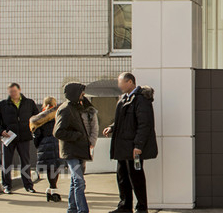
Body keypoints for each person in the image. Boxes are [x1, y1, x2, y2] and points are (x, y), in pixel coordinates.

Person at [104, 72, 157, 213]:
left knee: (136, 178)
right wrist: (112, 127)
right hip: (122, 147)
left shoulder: (141, 100)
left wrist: (138, 146)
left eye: (120, 82)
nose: (119, 85)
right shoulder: (124, 99)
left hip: (133, 147)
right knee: (122, 177)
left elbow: (144, 125)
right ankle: (125, 206)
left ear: (130, 82)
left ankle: (142, 208)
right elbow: (123, 120)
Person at [0, 82, 38, 194]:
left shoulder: (29, 103)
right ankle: (7, 185)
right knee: (6, 162)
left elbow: (36, 117)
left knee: (25, 162)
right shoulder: (3, 104)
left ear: (19, 90)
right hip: (9, 137)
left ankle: (28, 186)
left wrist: (33, 129)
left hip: (24, 137)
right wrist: (1, 131)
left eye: (15, 91)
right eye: (11, 92)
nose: (13, 94)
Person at [55, 82, 95, 213]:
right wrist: (77, 136)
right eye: (81, 93)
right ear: (75, 93)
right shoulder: (65, 109)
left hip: (78, 149)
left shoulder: (75, 107)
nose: (83, 95)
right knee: (79, 181)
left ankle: (72, 209)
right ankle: (82, 210)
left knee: (75, 181)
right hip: (71, 151)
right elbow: (58, 132)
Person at [30, 96, 62, 202]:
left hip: (44, 144)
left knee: (49, 169)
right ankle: (53, 190)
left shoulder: (39, 117)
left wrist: (39, 146)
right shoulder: (57, 115)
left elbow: (36, 134)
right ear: (55, 104)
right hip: (56, 143)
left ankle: (51, 190)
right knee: (55, 168)